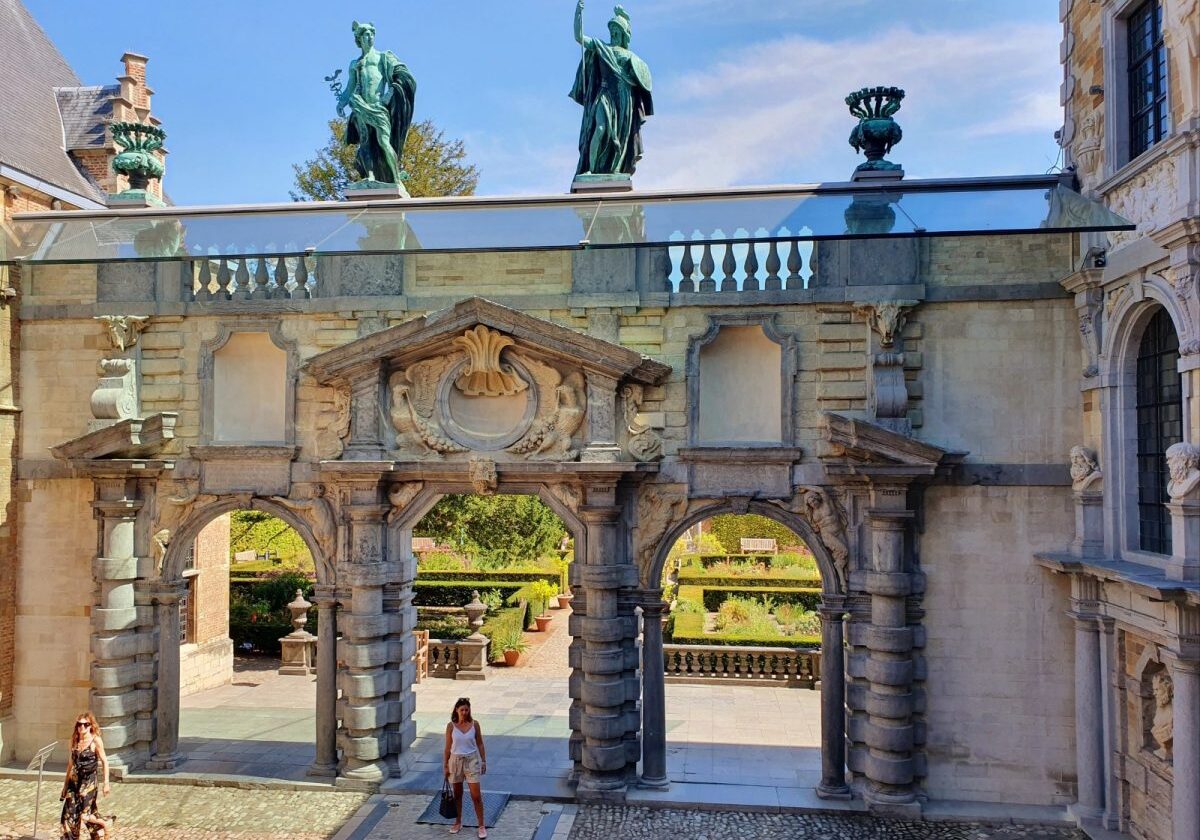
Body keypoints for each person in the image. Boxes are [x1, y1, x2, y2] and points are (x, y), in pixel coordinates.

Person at [570, 0, 653, 178]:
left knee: (622, 137)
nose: (614, 34)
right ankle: (591, 169)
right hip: (605, 95)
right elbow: (579, 37)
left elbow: (641, 80)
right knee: (600, 128)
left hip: (623, 98)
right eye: (612, 30)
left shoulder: (631, 57)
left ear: (624, 35)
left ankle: (616, 169)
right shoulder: (602, 47)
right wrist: (578, 13)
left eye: (617, 31)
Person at [336, 20, 417, 186]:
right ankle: (370, 177)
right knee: (365, 143)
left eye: (372, 34)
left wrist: (391, 92)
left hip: (379, 108)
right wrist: (341, 103)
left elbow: (401, 76)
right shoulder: (355, 64)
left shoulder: (383, 57)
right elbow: (349, 88)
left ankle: (395, 178)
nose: (369, 37)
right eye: (366, 34)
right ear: (359, 39)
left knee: (384, 142)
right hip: (359, 106)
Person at [60, 712, 115, 839]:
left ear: (91, 726)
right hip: (74, 782)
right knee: (69, 815)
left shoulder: (95, 740)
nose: (82, 727)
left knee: (85, 815)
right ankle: (93, 836)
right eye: (79, 724)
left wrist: (106, 783)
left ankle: (105, 823)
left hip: (89, 781)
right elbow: (70, 764)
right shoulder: (74, 741)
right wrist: (65, 785)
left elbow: (104, 761)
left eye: (86, 724)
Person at [443, 697, 488, 838]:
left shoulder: (475, 724)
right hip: (455, 761)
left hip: (471, 760)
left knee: (476, 796)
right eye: (461, 709)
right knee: (457, 795)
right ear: (456, 710)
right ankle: (458, 822)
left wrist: (483, 760)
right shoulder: (451, 726)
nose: (464, 712)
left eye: (466, 710)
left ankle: (481, 825)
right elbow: (447, 748)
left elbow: (480, 743)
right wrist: (445, 765)